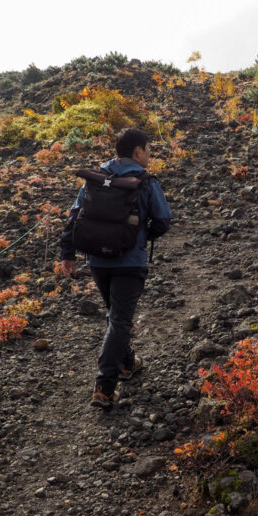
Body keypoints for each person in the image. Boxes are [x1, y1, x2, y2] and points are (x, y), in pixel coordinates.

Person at [60, 128, 171, 409]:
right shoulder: (145, 182)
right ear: (137, 151)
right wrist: (141, 236)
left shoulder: (97, 180)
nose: (150, 154)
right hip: (129, 262)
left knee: (115, 316)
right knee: (119, 320)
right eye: (148, 149)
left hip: (97, 260)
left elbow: (75, 216)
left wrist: (67, 253)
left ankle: (127, 363)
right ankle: (104, 387)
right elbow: (163, 220)